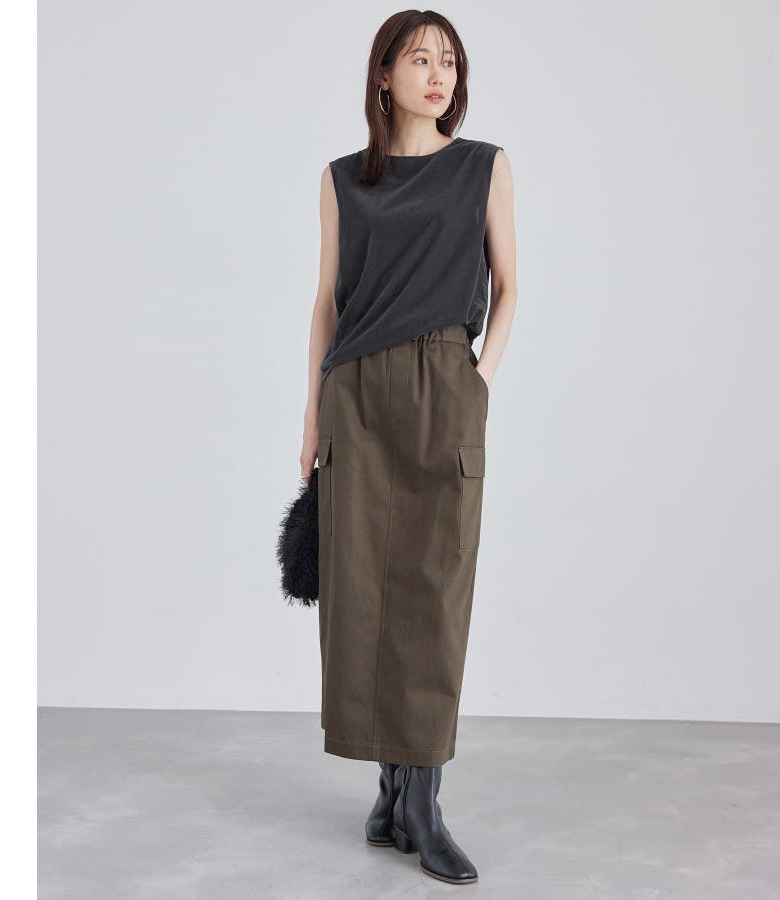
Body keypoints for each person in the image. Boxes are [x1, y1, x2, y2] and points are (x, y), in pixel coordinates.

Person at [301, 11, 516, 886]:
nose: (438, 74)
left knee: (434, 587)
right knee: (360, 593)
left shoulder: (484, 166)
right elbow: (326, 302)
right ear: (383, 75)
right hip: (355, 396)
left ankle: (422, 798)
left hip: (442, 384)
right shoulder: (342, 179)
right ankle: (391, 793)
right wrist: (310, 420)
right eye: (420, 58)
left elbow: (511, 287)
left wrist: (476, 383)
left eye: (450, 61)